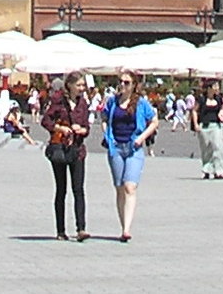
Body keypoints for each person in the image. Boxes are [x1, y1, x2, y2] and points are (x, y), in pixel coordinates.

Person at [101, 71, 157, 242]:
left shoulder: (141, 103)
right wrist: (106, 133)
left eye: (127, 82)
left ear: (134, 85)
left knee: (129, 187)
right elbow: (103, 118)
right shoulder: (112, 101)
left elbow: (154, 121)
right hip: (116, 147)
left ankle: (127, 229)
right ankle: (122, 224)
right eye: (121, 82)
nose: (123, 85)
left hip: (134, 147)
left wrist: (142, 137)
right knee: (119, 188)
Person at [42, 72, 93, 240]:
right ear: (69, 85)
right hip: (59, 148)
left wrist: (82, 130)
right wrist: (60, 128)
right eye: (78, 85)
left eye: (82, 85)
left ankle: (81, 228)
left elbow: (87, 127)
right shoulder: (58, 101)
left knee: (78, 189)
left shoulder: (83, 103)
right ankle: (60, 230)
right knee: (61, 189)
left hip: (77, 150)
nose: (81, 88)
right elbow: (46, 121)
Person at [195, 78, 223, 178]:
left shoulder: (218, 98)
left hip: (216, 125)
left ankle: (220, 170)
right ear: (209, 88)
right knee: (206, 148)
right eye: (215, 86)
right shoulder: (202, 99)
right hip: (204, 126)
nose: (217, 88)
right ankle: (207, 169)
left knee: (218, 147)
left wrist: (221, 112)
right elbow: (194, 111)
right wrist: (196, 124)